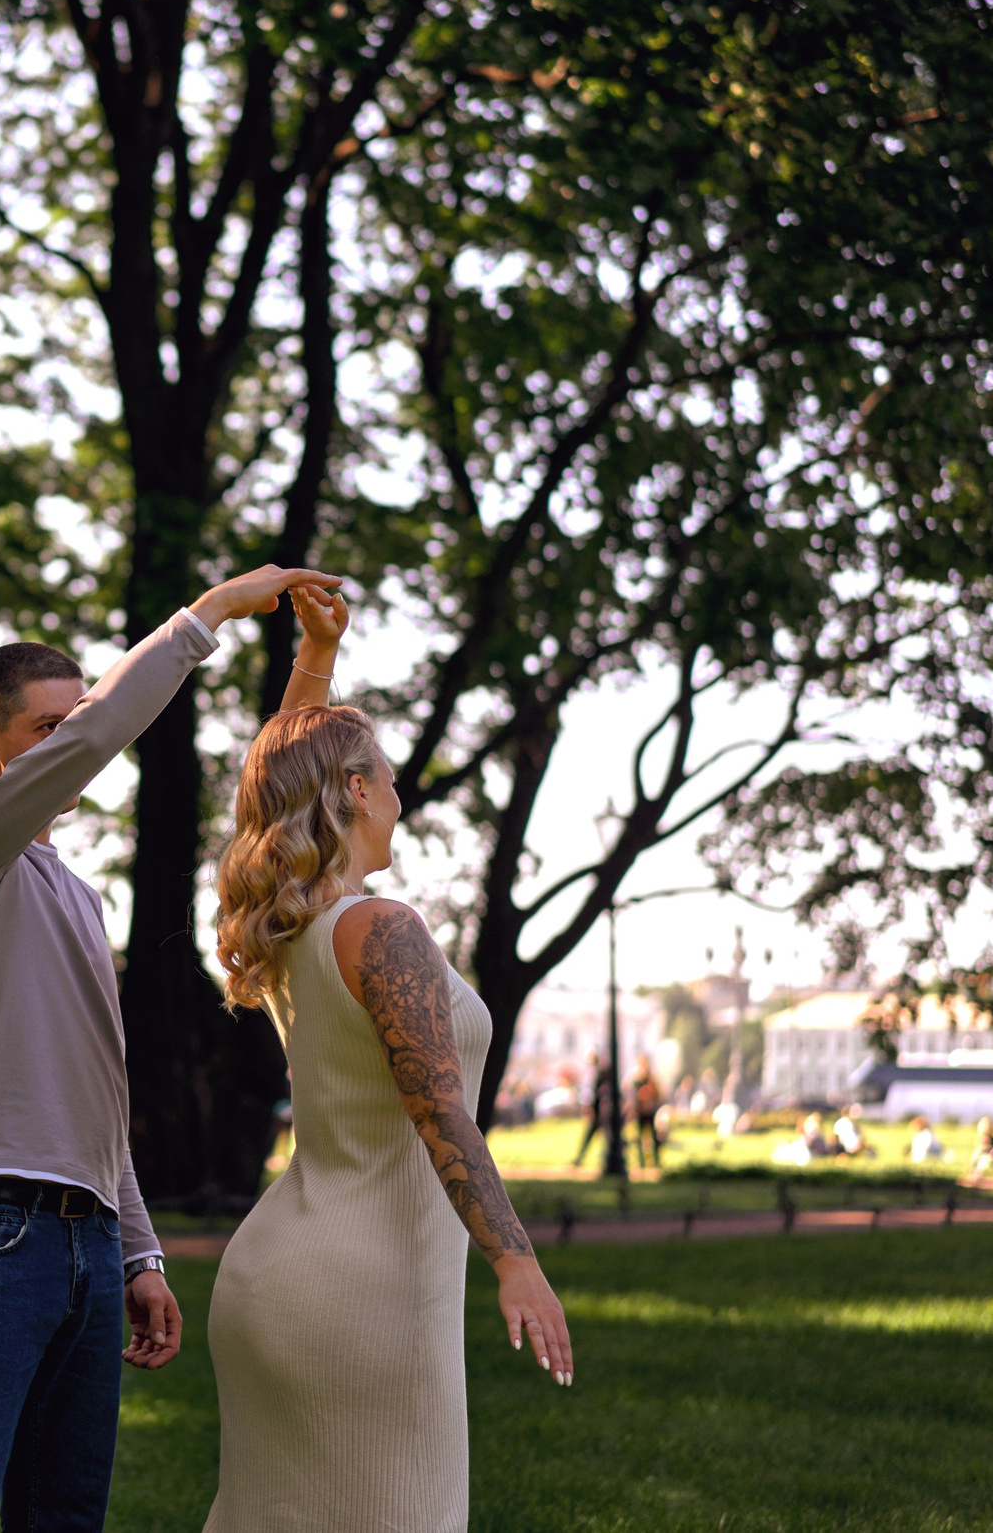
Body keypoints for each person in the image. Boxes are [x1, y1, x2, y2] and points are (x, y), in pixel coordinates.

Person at [0, 560, 339, 1533]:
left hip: (89, 1243)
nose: (70, 749)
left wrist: (137, 1251)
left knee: (66, 1515)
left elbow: (100, 1091)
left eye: (73, 724)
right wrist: (211, 612)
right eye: (45, 732)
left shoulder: (81, 897)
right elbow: (106, 727)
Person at [203, 592, 570, 1533]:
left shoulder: (293, 927)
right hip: (360, 1299)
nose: (401, 797)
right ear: (358, 791)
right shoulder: (381, 927)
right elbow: (441, 1109)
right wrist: (516, 1260)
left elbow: (282, 764)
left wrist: (317, 654)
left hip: (287, 1280)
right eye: (391, 778)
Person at [571, 1054, 618, 1169]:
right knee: (597, 1136)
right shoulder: (604, 1074)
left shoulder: (603, 1075)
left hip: (603, 1112)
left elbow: (598, 1094)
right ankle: (581, 1158)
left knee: (605, 1137)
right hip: (602, 1111)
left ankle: (604, 1159)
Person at [629, 1056, 663, 1170]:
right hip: (640, 1112)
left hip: (650, 1112)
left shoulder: (651, 1080)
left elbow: (658, 1094)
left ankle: (655, 1160)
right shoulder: (637, 1080)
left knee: (653, 1137)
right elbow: (632, 1096)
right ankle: (641, 1162)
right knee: (639, 1138)